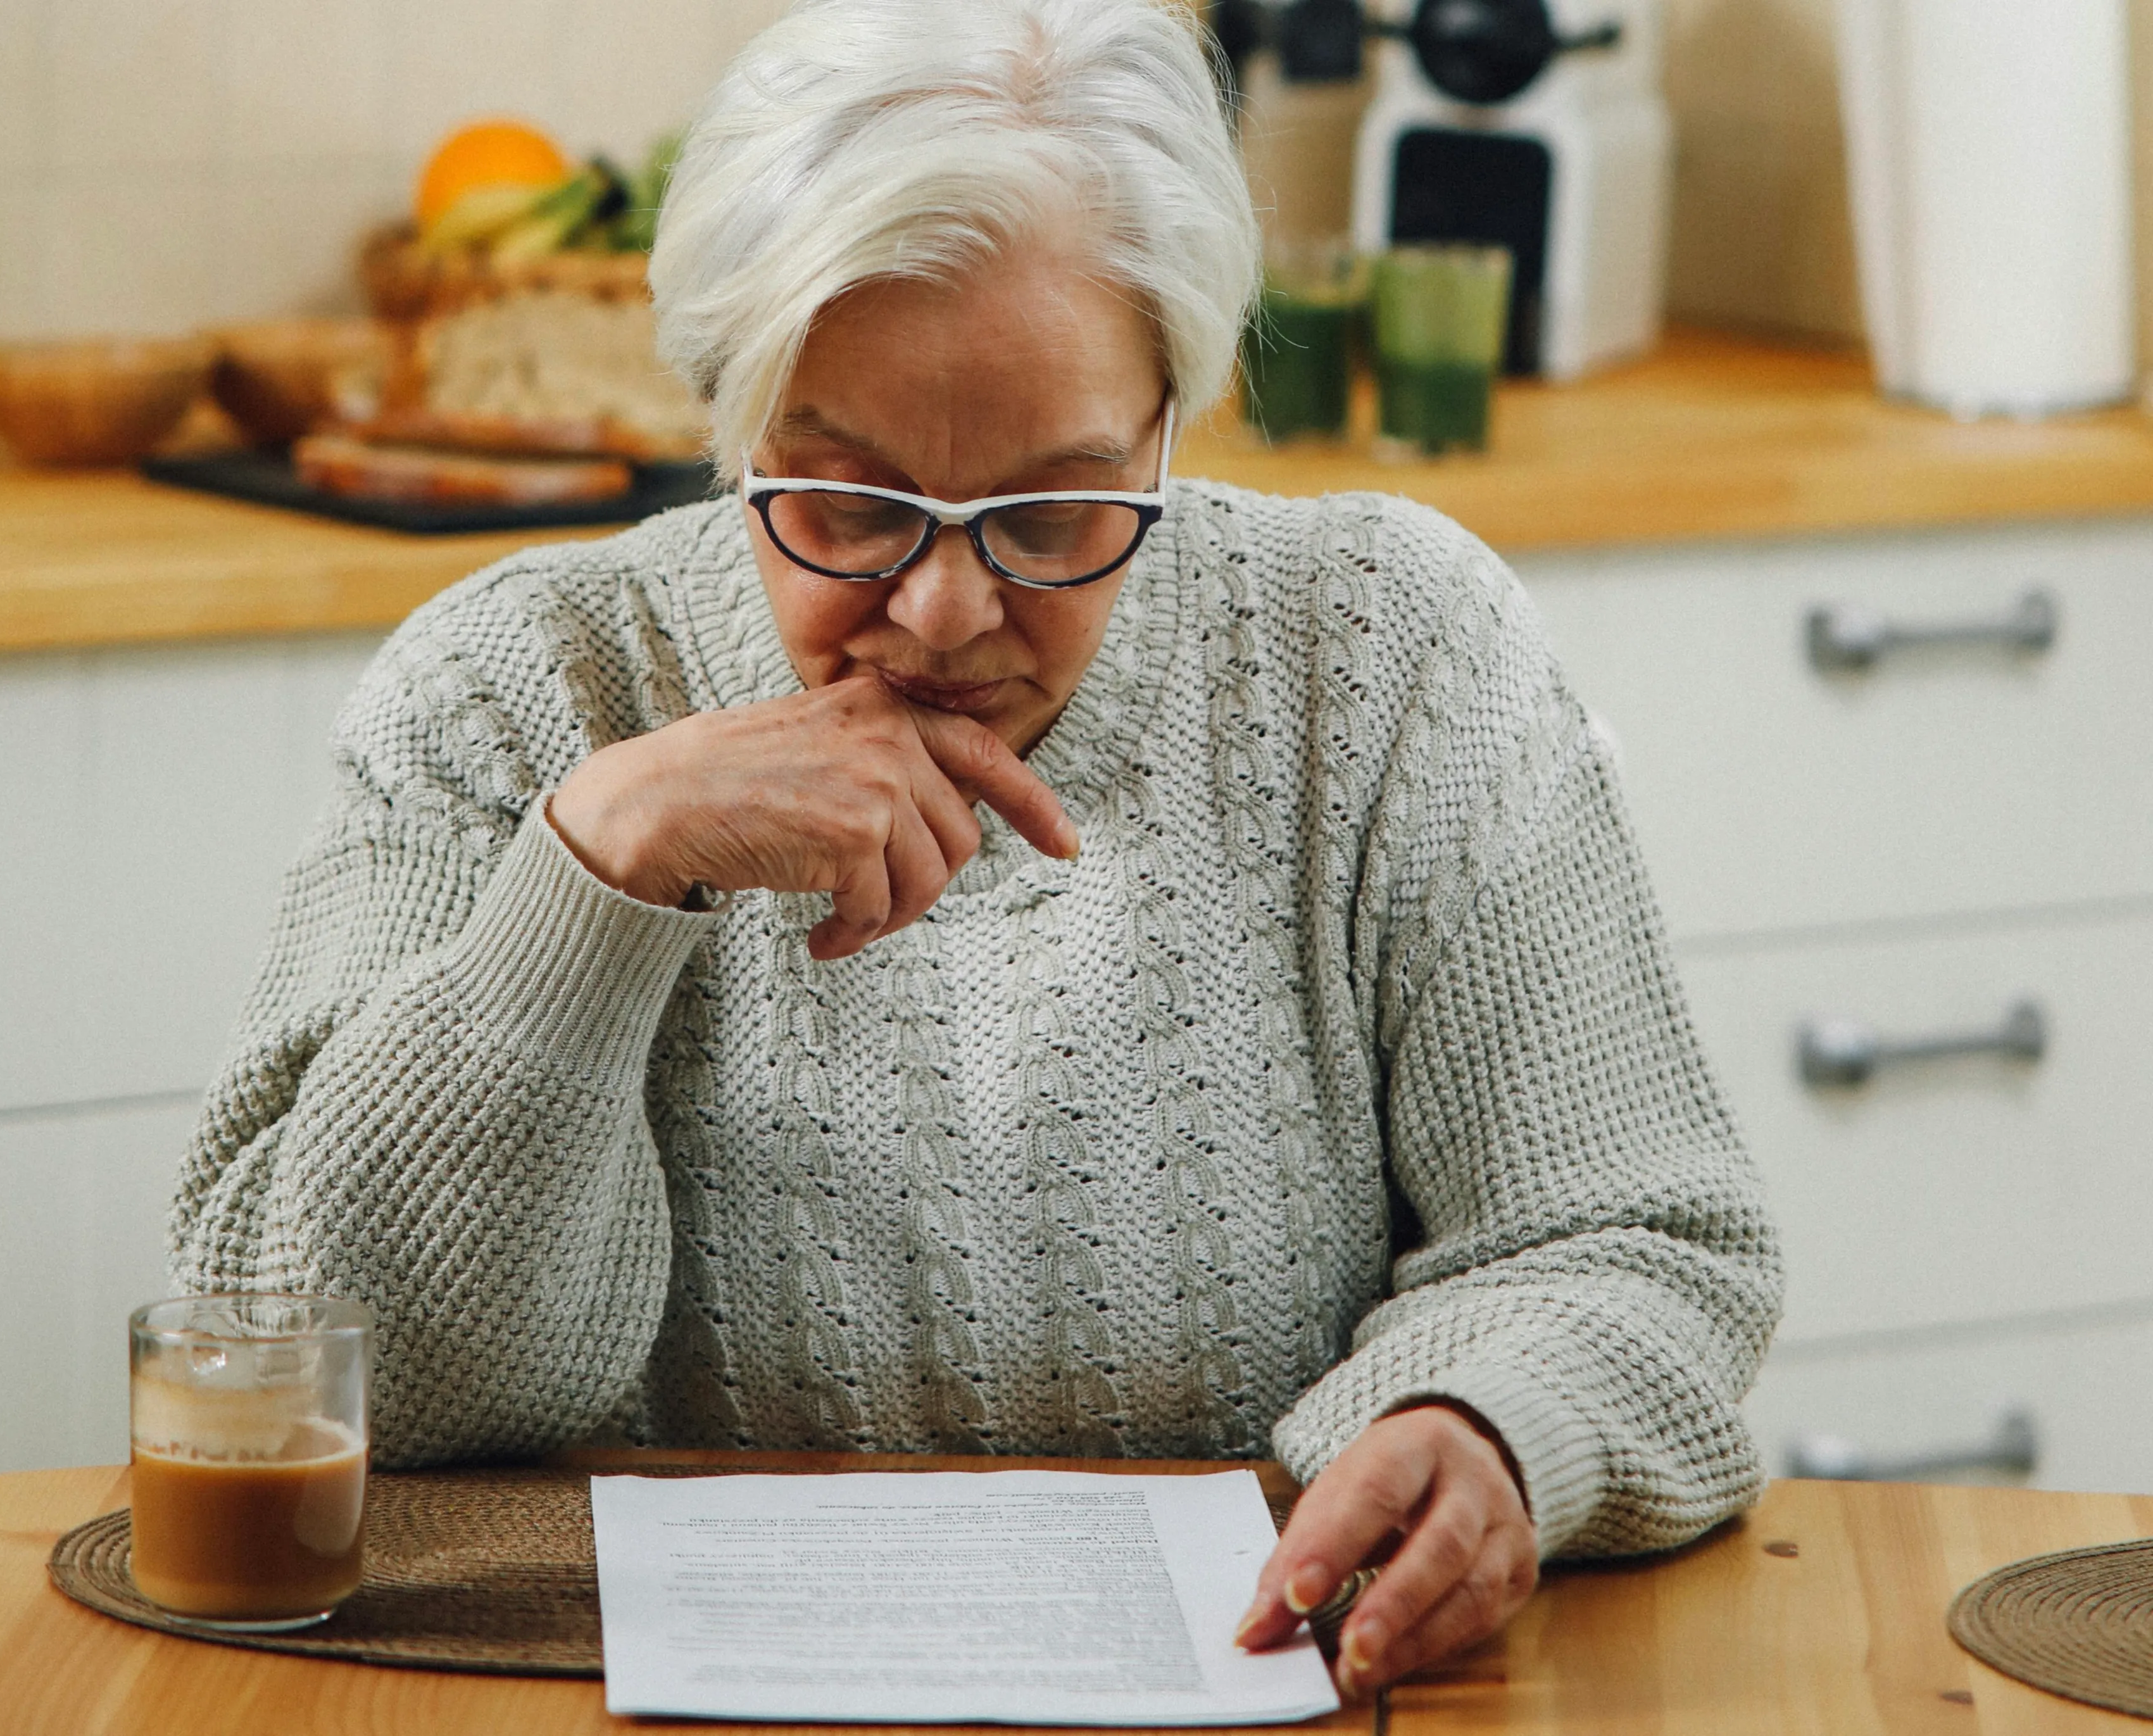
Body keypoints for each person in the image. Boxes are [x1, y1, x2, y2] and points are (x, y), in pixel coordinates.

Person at [170, 0, 1781, 1697]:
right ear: (732, 416)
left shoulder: (1388, 650)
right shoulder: (508, 694)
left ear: (1175, 410)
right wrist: (602, 862)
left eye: (1054, 509)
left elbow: (1639, 1241)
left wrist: (1489, 1421)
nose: (943, 610)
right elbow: (312, 1367)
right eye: (850, 504)